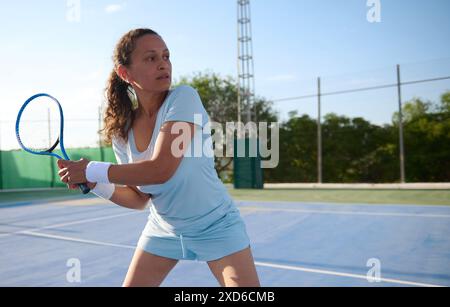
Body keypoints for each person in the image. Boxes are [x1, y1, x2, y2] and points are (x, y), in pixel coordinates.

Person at [56, 28, 260, 287]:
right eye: (151, 58)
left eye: (166, 56)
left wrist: (90, 170)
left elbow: (160, 169)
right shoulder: (122, 132)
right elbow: (140, 198)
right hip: (164, 230)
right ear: (125, 73)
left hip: (216, 225)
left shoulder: (184, 98)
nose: (163, 64)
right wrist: (96, 184)